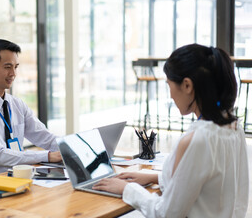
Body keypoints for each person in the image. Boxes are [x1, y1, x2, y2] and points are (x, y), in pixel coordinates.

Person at [92, 44, 249, 217]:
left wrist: (128, 189)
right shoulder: (233, 127)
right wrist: (154, 178)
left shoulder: (197, 139)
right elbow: (208, 183)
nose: (171, 95)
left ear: (187, 85)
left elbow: (166, 213)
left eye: (169, 85)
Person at [0, 39, 61, 179]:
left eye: (16, 67)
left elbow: (45, 137)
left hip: (19, 177)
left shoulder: (17, 104)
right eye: (7, 67)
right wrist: (47, 156)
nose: (13, 73)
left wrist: (70, 147)